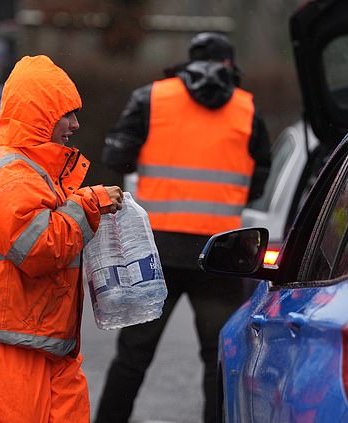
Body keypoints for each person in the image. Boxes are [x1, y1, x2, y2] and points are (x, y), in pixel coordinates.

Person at [95, 32, 272, 423]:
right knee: (217, 358)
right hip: (218, 254)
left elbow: (116, 156)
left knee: (133, 355)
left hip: (157, 251)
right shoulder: (247, 110)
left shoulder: (151, 98)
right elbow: (259, 180)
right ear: (229, 65)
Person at [0, 55, 124, 423]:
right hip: (4, 365)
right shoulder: (12, 176)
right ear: (39, 115)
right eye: (65, 114)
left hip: (36, 354)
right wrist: (89, 203)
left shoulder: (33, 175)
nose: (75, 124)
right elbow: (41, 249)